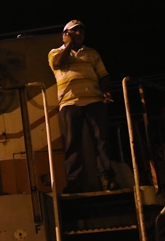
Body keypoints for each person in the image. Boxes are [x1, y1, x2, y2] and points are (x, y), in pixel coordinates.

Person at [48, 19, 117, 193]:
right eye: (74, 31)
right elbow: (57, 64)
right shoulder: (55, 52)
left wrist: (106, 90)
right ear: (65, 34)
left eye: (81, 31)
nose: (79, 34)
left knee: (102, 140)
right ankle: (74, 181)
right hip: (70, 102)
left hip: (94, 100)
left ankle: (106, 177)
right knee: (73, 142)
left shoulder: (92, 53)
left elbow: (103, 75)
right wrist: (69, 46)